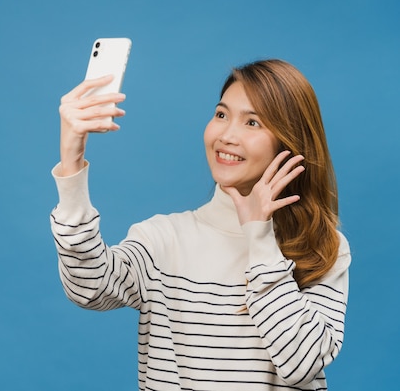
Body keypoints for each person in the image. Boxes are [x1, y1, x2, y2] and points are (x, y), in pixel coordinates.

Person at [50, 59, 350, 390]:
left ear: (290, 142)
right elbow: (87, 288)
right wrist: (71, 162)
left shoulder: (323, 247)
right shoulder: (163, 240)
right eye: (221, 115)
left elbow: (301, 364)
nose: (227, 135)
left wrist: (258, 236)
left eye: (252, 122)